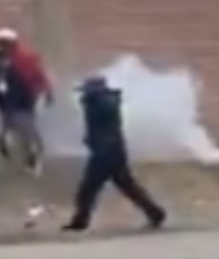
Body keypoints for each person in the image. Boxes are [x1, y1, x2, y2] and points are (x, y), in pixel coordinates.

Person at [62, 76, 165, 233]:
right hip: (113, 150)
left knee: (88, 189)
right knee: (128, 187)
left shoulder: (100, 104)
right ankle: (155, 213)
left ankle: (80, 221)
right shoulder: (103, 102)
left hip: (105, 153)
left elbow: (101, 121)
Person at [0, 28, 51, 175]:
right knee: (12, 128)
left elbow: (38, 75)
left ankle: (32, 158)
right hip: (8, 101)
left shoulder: (24, 58)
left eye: (4, 43)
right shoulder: (6, 58)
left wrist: (48, 92)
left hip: (22, 101)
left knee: (24, 129)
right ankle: (21, 155)